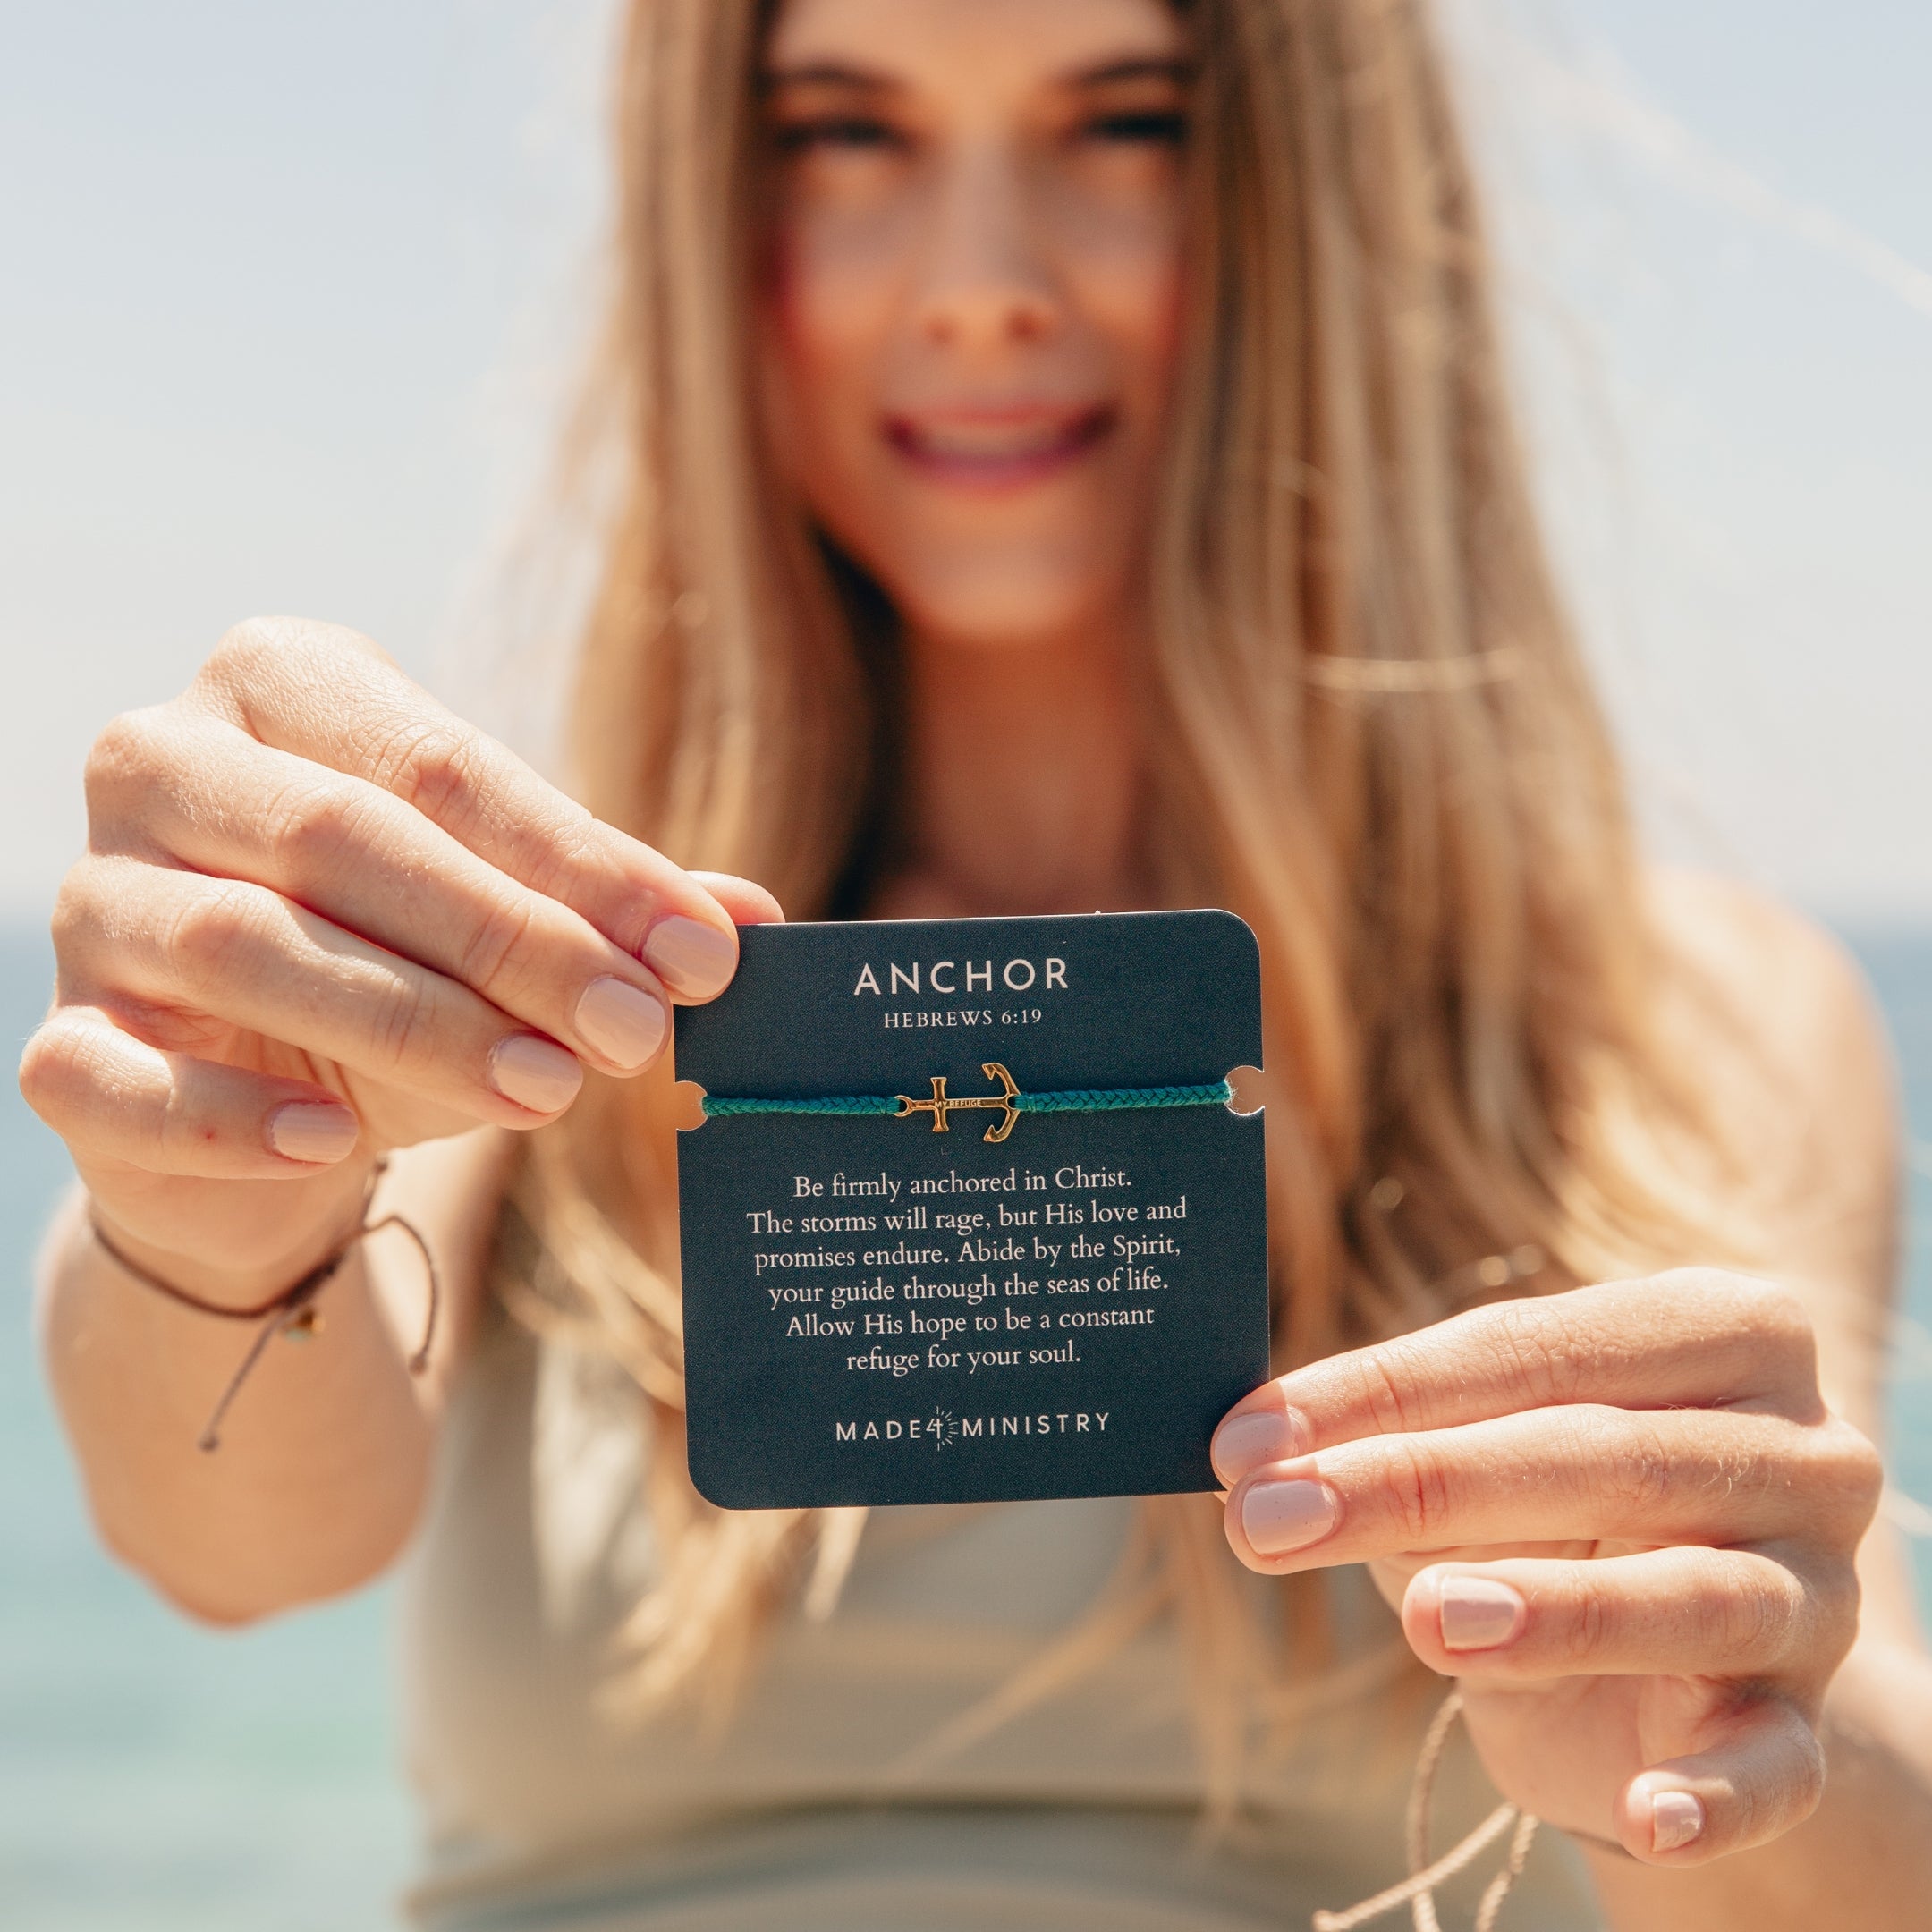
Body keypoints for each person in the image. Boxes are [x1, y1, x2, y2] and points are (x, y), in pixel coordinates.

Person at [22, 0, 1932, 1925]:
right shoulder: (552, 934)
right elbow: (234, 1543)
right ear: (722, 207)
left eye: (1124, 122)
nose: (981, 286)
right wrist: (206, 1167)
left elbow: (1850, 1822)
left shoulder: (1679, 1016)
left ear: (1309, 194)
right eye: (849, 131)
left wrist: (1723, 1745)